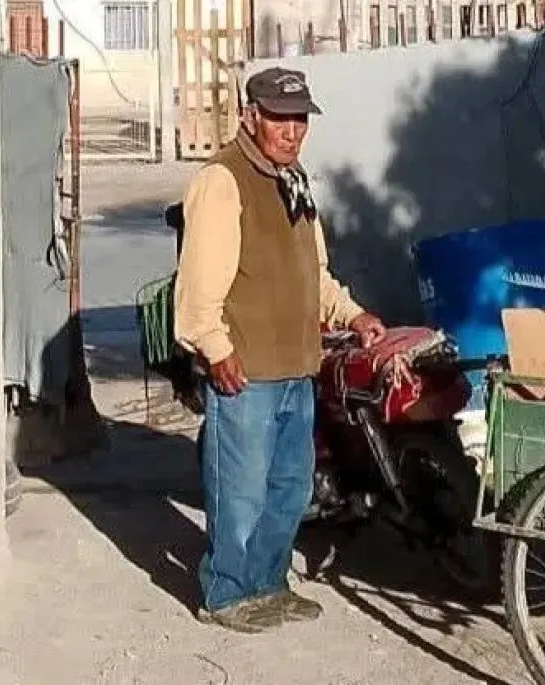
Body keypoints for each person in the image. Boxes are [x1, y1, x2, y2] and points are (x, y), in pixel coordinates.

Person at [174, 66, 386, 633]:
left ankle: (268, 583)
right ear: (250, 115)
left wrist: (352, 314)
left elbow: (313, 274)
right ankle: (224, 592)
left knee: (288, 488)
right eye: (279, 118)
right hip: (246, 369)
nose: (292, 131)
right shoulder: (222, 181)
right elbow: (197, 289)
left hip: (297, 366)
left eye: (299, 120)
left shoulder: (293, 179)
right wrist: (216, 350)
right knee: (238, 490)